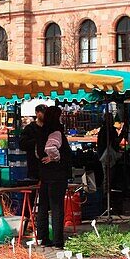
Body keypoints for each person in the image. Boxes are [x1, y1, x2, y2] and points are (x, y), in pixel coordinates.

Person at [35, 106, 71, 248]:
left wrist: (45, 158)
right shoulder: (55, 131)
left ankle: (42, 238)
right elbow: (50, 148)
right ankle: (57, 241)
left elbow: (37, 153)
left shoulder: (41, 131)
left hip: (45, 174)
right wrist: (54, 158)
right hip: (57, 175)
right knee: (57, 208)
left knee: (43, 206)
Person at [96, 112, 124, 216]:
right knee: (108, 179)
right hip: (108, 157)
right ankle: (106, 201)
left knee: (107, 179)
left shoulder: (103, 130)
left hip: (103, 157)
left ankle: (106, 201)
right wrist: (122, 134)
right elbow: (115, 142)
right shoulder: (109, 130)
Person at [18, 104, 47, 180]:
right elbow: (22, 144)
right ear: (36, 113)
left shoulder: (50, 128)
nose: (45, 115)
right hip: (34, 167)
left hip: (48, 167)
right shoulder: (30, 128)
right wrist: (36, 141)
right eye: (42, 112)